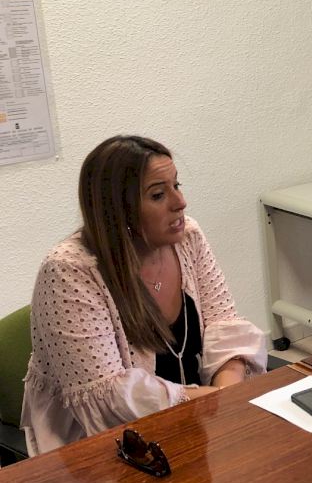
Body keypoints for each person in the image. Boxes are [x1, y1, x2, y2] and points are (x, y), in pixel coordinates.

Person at [22, 136, 267, 455]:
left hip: (197, 422)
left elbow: (225, 324)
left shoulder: (188, 237)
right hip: (105, 450)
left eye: (177, 185)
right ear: (116, 210)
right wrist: (213, 401)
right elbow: (109, 397)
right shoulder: (68, 270)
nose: (180, 202)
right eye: (158, 194)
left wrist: (225, 394)